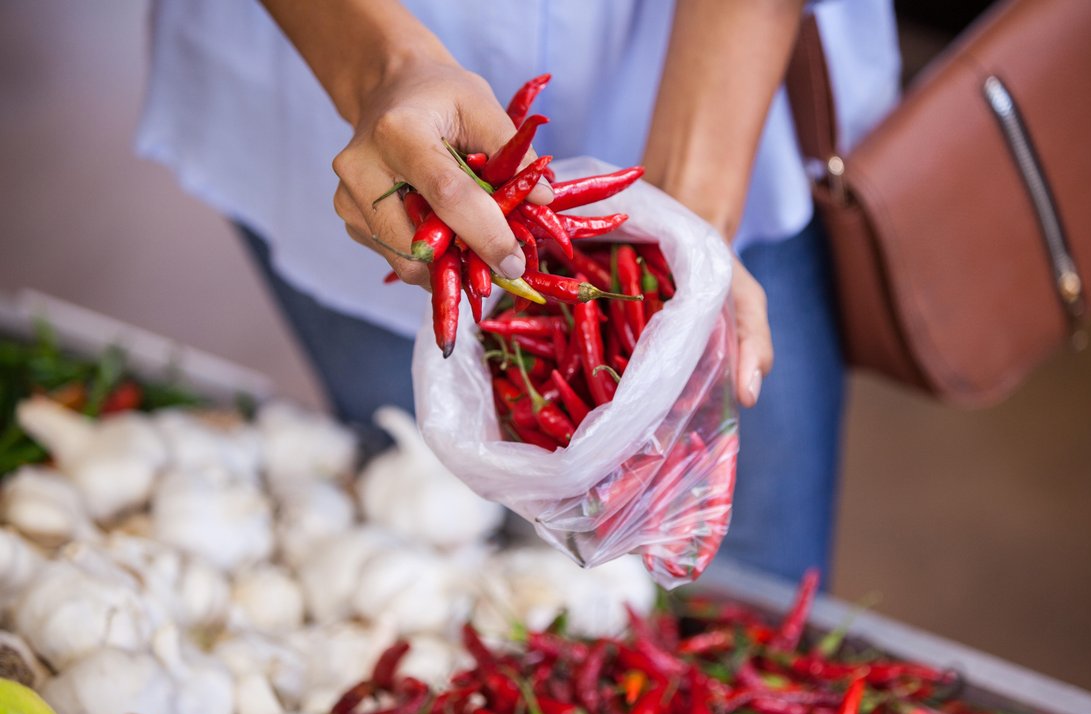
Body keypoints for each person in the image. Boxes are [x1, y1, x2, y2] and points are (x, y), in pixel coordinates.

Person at [136, 0, 901, 582]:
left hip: (728, 82)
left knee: (753, 576)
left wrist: (693, 217)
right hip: (333, 89)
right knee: (442, 550)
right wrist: (382, 67)